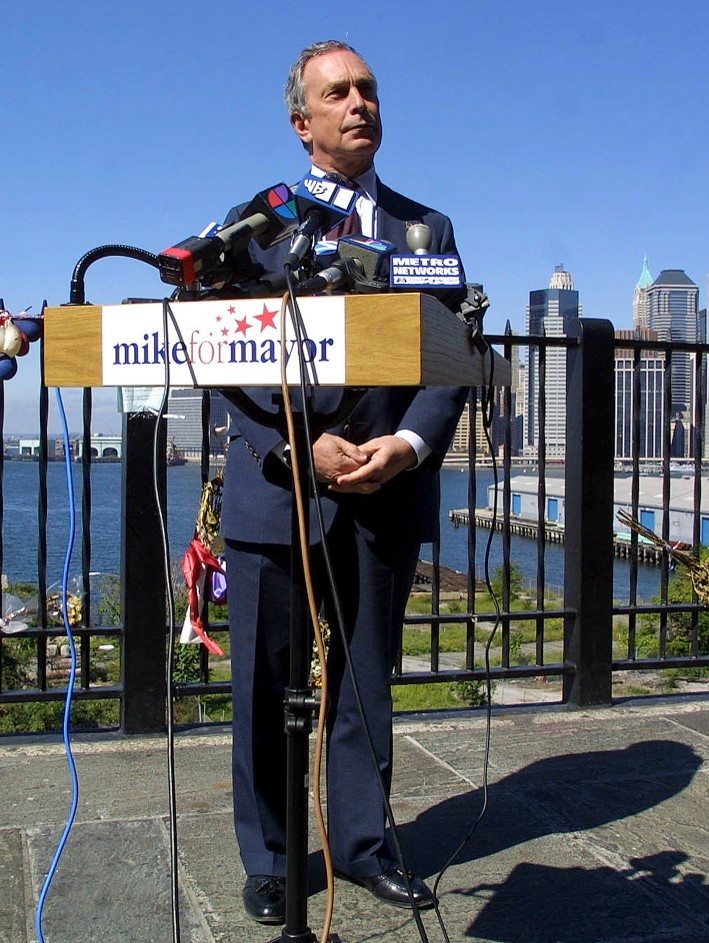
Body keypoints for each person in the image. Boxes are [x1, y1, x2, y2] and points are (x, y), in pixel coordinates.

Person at [219, 40, 469, 925]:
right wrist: (298, 446)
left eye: (367, 88)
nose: (359, 102)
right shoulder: (256, 225)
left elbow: (450, 357)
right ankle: (273, 857)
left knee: (365, 683)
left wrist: (406, 444)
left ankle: (363, 846)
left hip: (383, 495)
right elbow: (225, 360)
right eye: (338, 92)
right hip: (275, 488)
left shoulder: (424, 231)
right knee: (264, 688)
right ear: (303, 122)